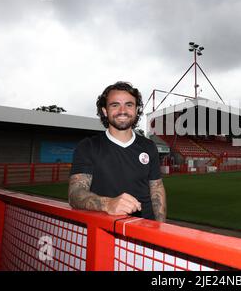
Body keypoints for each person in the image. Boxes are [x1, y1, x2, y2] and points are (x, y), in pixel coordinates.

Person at [68, 81, 167, 222]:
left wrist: (161, 229)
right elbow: (75, 194)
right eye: (115, 105)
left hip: (146, 230)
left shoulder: (149, 146)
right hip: (105, 231)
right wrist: (108, 204)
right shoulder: (88, 146)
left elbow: (157, 190)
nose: (123, 110)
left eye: (129, 105)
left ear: (136, 109)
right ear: (104, 110)